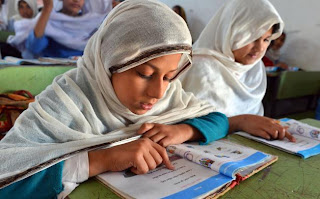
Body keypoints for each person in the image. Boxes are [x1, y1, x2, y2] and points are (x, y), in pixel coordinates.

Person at [0, 1, 229, 198]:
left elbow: (218, 119)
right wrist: (100, 159)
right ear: (109, 62)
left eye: (169, 77)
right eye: (145, 74)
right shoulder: (66, 102)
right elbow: (6, 177)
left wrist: (183, 131)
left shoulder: (169, 95)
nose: (158, 93)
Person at [180, 0, 296, 140]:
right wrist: (241, 122)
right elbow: (185, 128)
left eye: (266, 40)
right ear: (230, 31)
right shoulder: (201, 66)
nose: (259, 49)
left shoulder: (254, 68)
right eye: (252, 38)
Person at [7, 0, 112, 58]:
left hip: (80, 76)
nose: (76, 0)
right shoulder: (50, 19)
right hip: (49, 75)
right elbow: (34, 47)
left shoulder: (91, 23)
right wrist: (47, 9)